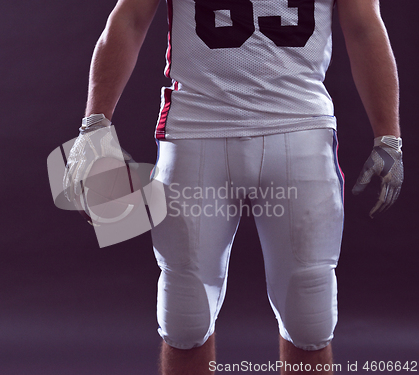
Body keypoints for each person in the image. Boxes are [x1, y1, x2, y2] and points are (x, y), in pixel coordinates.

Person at [64, 0, 403, 373]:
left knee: (310, 317)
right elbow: (128, 18)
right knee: (185, 315)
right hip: (196, 130)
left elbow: (365, 27)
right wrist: (94, 124)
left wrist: (389, 136)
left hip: (299, 130)